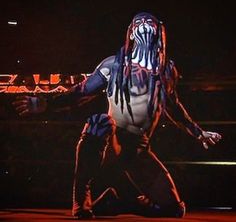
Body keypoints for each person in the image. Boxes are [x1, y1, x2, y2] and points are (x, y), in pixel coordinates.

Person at [13, 12, 222, 219]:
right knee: (99, 122)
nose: (144, 25)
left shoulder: (166, 70)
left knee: (175, 210)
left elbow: (172, 105)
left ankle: (120, 203)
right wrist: (47, 104)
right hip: (113, 140)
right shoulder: (114, 65)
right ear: (130, 33)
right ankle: (81, 200)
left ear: (159, 31)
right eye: (138, 22)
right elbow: (82, 91)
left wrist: (198, 132)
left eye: (149, 22)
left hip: (139, 148)